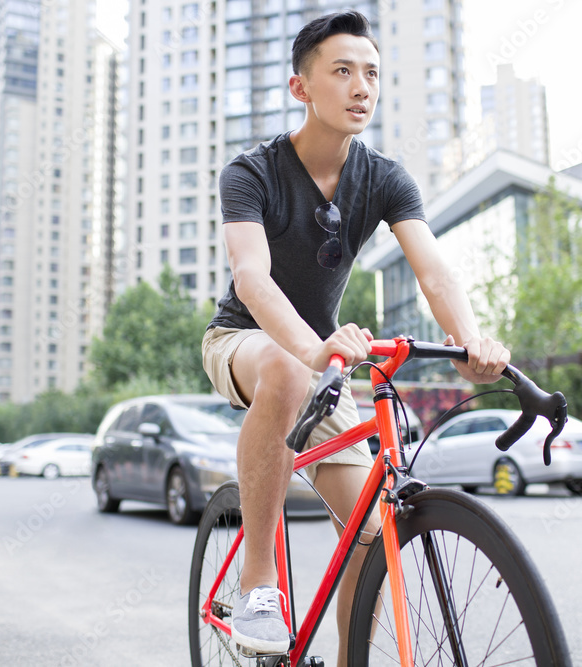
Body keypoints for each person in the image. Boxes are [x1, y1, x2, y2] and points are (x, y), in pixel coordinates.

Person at [200, 10, 511, 663]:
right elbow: (252, 278)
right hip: (243, 341)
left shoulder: (386, 178)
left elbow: (433, 271)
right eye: (342, 71)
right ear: (301, 87)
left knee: (372, 534)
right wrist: (312, 350)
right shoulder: (251, 172)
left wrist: (473, 340)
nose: (361, 86)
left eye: (371, 72)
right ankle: (259, 584)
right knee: (286, 370)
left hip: (324, 358)